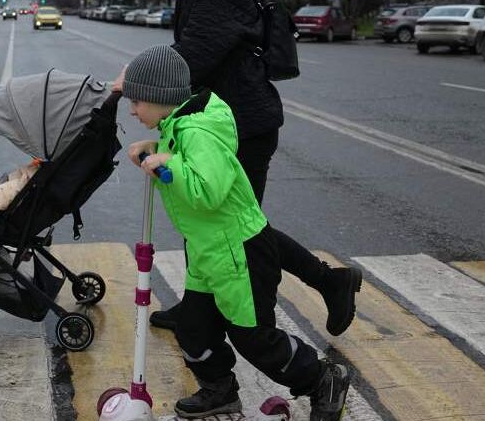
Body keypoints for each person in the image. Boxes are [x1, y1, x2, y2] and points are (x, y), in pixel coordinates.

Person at [115, 0, 362, 337]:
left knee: (241, 229)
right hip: (216, 120)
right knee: (207, 217)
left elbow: (197, 51)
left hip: (241, 125)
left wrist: (140, 78)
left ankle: (329, 281)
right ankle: (197, 308)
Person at [122, 45, 349, 420]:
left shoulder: (198, 131)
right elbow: (184, 161)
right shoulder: (178, 124)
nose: (132, 110)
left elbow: (208, 192)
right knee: (192, 330)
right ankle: (219, 390)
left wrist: (167, 162)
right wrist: (158, 148)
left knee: (254, 337)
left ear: (161, 98)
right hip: (210, 252)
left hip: (239, 251)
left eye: (137, 102)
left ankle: (321, 378)